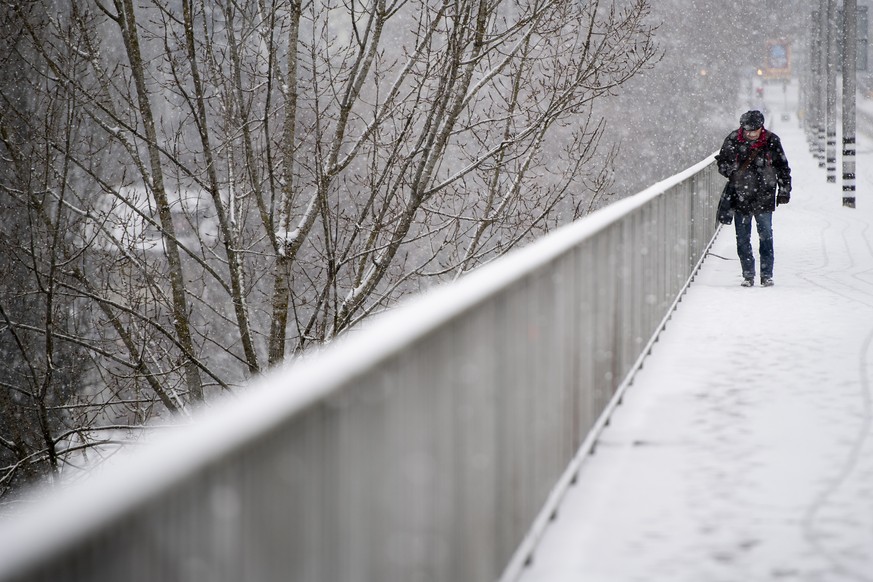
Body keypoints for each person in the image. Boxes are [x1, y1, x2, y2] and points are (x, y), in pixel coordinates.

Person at [716, 110, 792, 287]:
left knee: (765, 235)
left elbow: (782, 167)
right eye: (747, 130)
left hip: (764, 194)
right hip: (740, 194)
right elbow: (722, 162)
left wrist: (784, 190)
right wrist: (731, 172)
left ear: (761, 128)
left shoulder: (772, 141)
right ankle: (748, 275)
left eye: (753, 130)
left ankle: (767, 275)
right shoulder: (733, 139)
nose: (749, 134)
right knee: (742, 238)